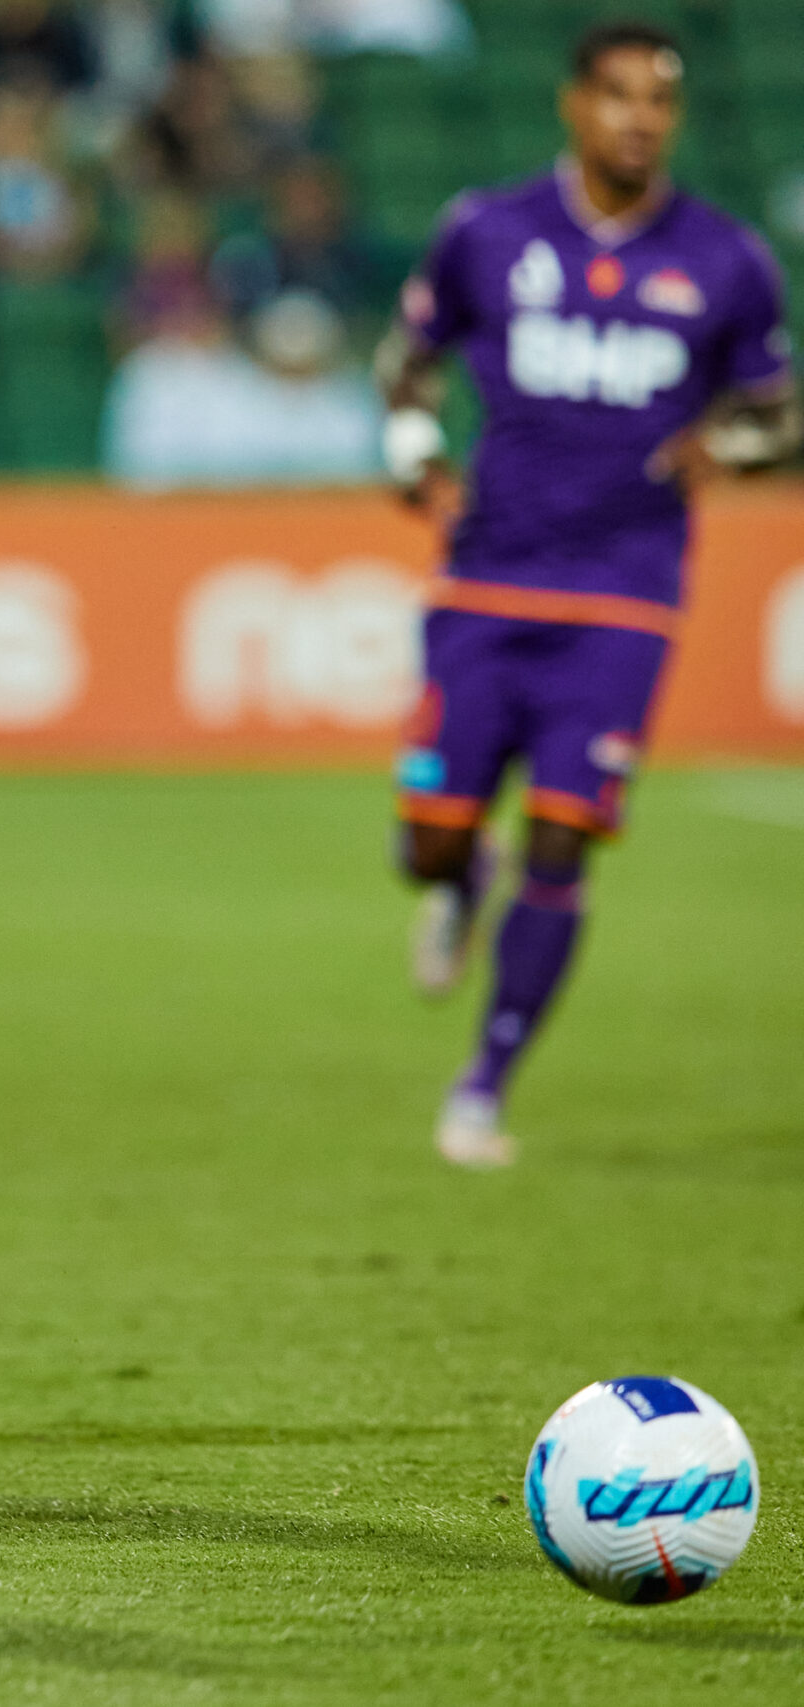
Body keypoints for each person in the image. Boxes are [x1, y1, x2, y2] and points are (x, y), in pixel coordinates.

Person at [376, 21, 797, 1168]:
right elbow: (405, 360)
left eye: (659, 99)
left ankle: (482, 1087)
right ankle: (457, 883)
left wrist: (738, 448)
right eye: (617, 95)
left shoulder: (725, 259)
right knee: (426, 840)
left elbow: (779, 407)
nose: (639, 118)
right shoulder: (486, 230)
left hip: (625, 593)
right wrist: (415, 451)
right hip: (485, 576)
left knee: (565, 833)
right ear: (573, 105)